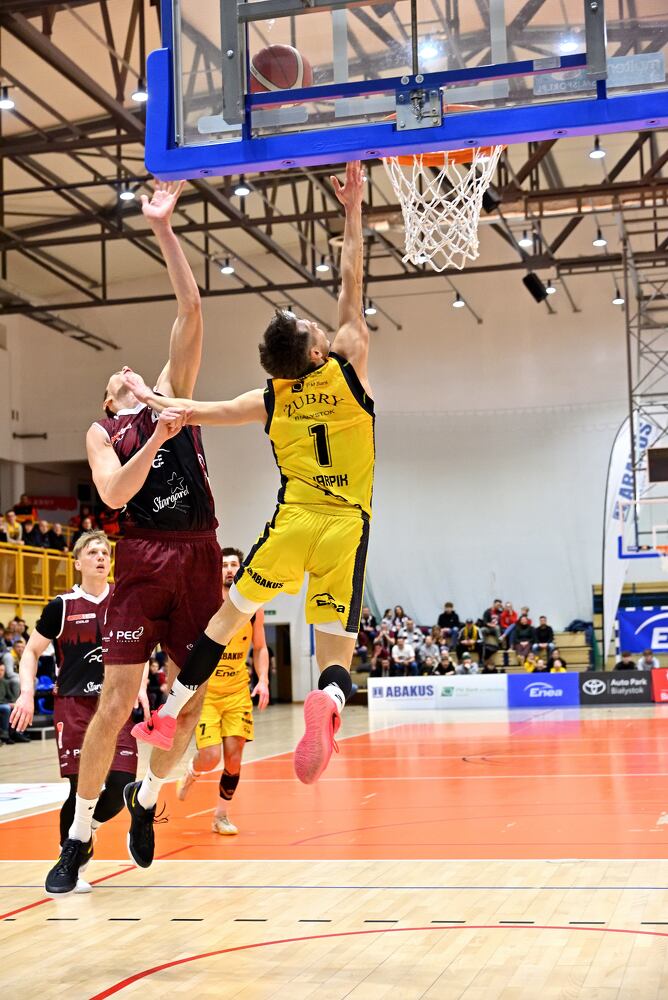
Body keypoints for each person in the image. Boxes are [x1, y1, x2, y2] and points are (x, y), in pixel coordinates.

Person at [127, 162, 373, 798]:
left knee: (226, 619)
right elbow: (352, 281)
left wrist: (155, 402)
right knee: (337, 654)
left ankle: (170, 707)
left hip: (292, 522)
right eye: (314, 329)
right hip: (346, 524)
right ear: (318, 353)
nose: (322, 326)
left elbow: (196, 410)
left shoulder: (269, 399)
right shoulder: (348, 364)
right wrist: (352, 210)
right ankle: (329, 701)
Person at [42, 180, 223, 895]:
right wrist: (156, 434)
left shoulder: (171, 389)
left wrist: (163, 229)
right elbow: (115, 493)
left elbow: (191, 309)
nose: (126, 370)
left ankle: (147, 797)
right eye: (115, 377)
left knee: (193, 700)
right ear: (108, 398)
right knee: (116, 701)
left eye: (133, 372)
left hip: (200, 550)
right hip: (143, 558)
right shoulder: (105, 431)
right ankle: (79, 838)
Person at [11, 531, 143, 894]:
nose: (101, 557)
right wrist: (26, 694)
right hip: (74, 705)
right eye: (93, 551)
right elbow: (31, 652)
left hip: (115, 703)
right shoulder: (62, 606)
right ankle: (70, 858)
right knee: (78, 788)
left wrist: (140, 686)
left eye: (105, 552)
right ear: (77, 562)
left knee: (120, 786)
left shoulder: (124, 600)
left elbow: (142, 648)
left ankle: (83, 834)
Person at [175, 547, 269, 835]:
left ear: (241, 570)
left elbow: (260, 647)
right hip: (207, 693)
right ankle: (192, 771)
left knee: (234, 757)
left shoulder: (253, 607)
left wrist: (263, 680)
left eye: (234, 565)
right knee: (210, 756)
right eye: (224, 565)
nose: (229, 569)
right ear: (217, 571)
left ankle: (221, 816)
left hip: (237, 692)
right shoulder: (205, 605)